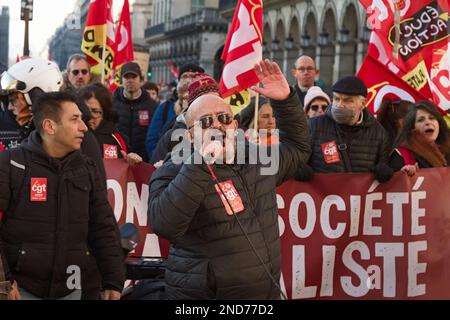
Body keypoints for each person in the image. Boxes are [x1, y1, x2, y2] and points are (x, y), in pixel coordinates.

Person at [148, 60, 311, 299]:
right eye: (205, 122)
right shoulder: (173, 168)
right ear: (191, 135)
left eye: (223, 118)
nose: (217, 126)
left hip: (264, 293)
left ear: (235, 125)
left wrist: (284, 101)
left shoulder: (257, 159)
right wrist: (200, 164)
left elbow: (298, 148)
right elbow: (164, 224)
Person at [0, 91, 125, 300]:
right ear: (49, 126)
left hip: (75, 289)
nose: (84, 127)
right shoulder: (11, 164)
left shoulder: (87, 168)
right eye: (75, 119)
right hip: (22, 290)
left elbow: (103, 226)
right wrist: (4, 281)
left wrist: (113, 279)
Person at [305, 75, 392, 181]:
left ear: (362, 104)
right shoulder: (313, 127)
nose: (339, 105)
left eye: (347, 101)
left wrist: (384, 170)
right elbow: (296, 161)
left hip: (360, 197)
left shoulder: (379, 134)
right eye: (336, 99)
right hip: (322, 196)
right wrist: (299, 168)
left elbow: (384, 164)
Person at [145, 63, 204, 159]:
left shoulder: (207, 108)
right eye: (185, 76)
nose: (188, 80)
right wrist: (159, 160)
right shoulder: (165, 107)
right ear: (179, 81)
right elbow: (152, 138)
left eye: (193, 76)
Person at [79, 83, 142, 165]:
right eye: (85, 110)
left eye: (95, 111)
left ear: (104, 112)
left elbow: (126, 169)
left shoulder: (116, 138)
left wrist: (132, 159)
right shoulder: (72, 136)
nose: (89, 116)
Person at [112, 62, 159, 162]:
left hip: (144, 160)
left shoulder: (152, 106)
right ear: (121, 80)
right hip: (120, 158)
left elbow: (155, 135)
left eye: (134, 77)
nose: (130, 80)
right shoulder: (112, 104)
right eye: (126, 77)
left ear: (141, 80)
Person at [389, 101, 450, 176]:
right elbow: (392, 184)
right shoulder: (401, 154)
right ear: (412, 127)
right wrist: (403, 174)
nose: (428, 122)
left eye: (432, 118)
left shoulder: (446, 150)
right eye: (420, 120)